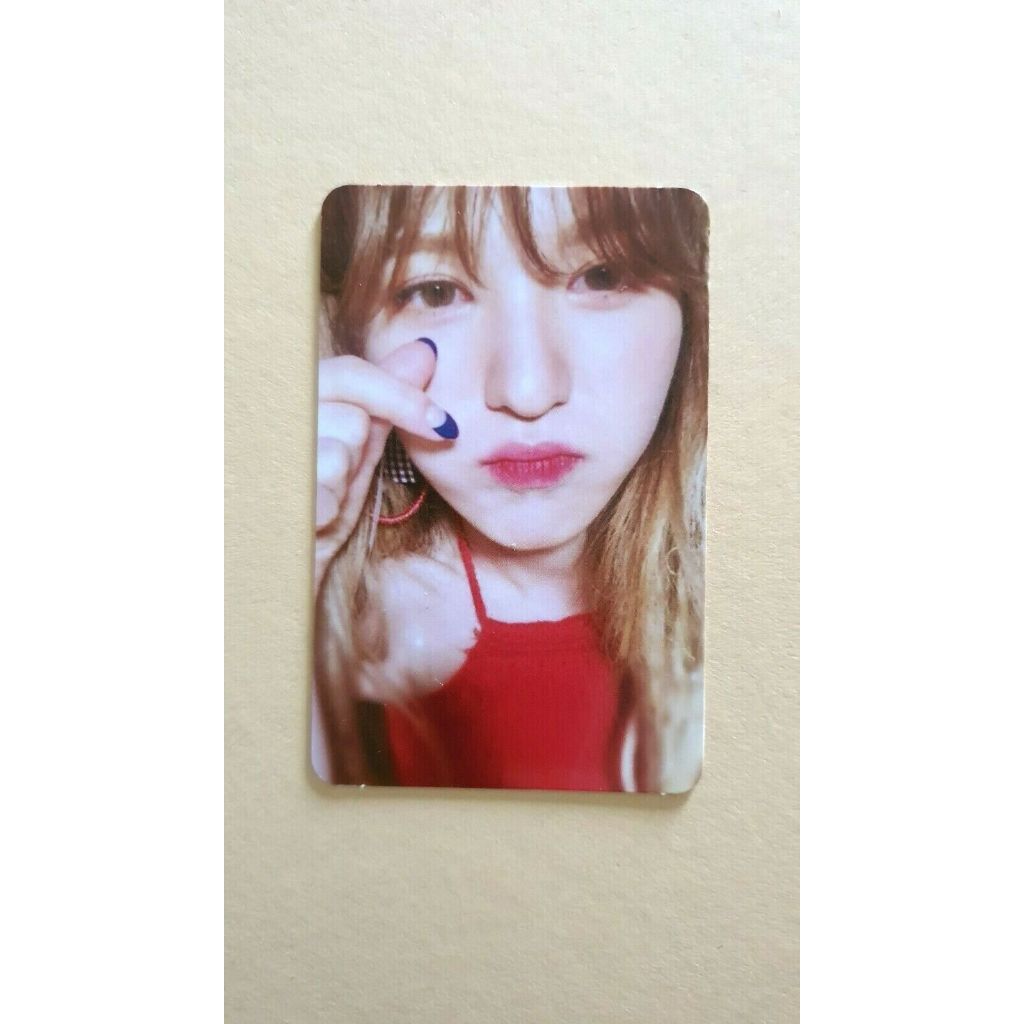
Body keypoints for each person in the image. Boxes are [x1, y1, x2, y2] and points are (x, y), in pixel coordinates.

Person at [312, 185, 708, 794]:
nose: (527, 391)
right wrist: (285, 594)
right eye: (435, 291)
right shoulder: (362, 633)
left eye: (601, 275)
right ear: (348, 339)